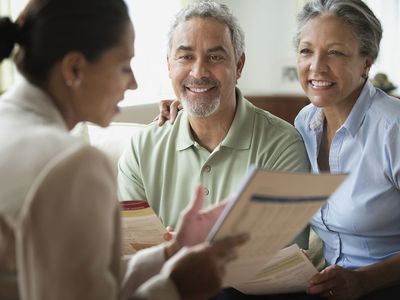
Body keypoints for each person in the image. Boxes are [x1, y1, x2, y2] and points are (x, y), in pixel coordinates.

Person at [0, 1, 249, 299]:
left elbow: (83, 282)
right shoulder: (72, 164)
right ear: (74, 68)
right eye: (123, 66)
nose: (133, 83)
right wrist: (177, 287)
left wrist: (170, 253)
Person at [117, 1, 310, 231]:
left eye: (215, 57)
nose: (198, 72)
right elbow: (132, 252)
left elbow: (285, 258)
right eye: (185, 57)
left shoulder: (282, 146)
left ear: (239, 66)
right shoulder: (141, 149)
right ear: (169, 65)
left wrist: (173, 252)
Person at [294, 0, 400, 299]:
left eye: (335, 52)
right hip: (327, 285)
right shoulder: (304, 123)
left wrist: (364, 281)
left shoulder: (393, 128)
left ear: (367, 61)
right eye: (306, 51)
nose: (316, 66)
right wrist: (185, 110)